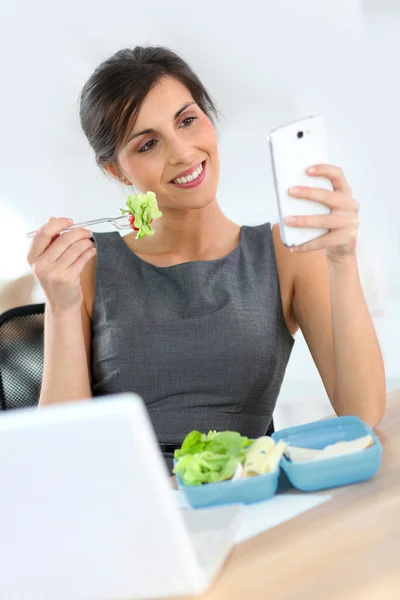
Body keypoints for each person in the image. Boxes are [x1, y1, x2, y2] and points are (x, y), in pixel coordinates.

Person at [27, 46, 385, 472]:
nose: (181, 152)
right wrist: (62, 304)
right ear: (116, 171)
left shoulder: (286, 254)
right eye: (148, 145)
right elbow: (61, 448)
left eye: (187, 120)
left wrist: (342, 260)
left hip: (244, 496)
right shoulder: (85, 265)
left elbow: (362, 412)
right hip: (131, 500)